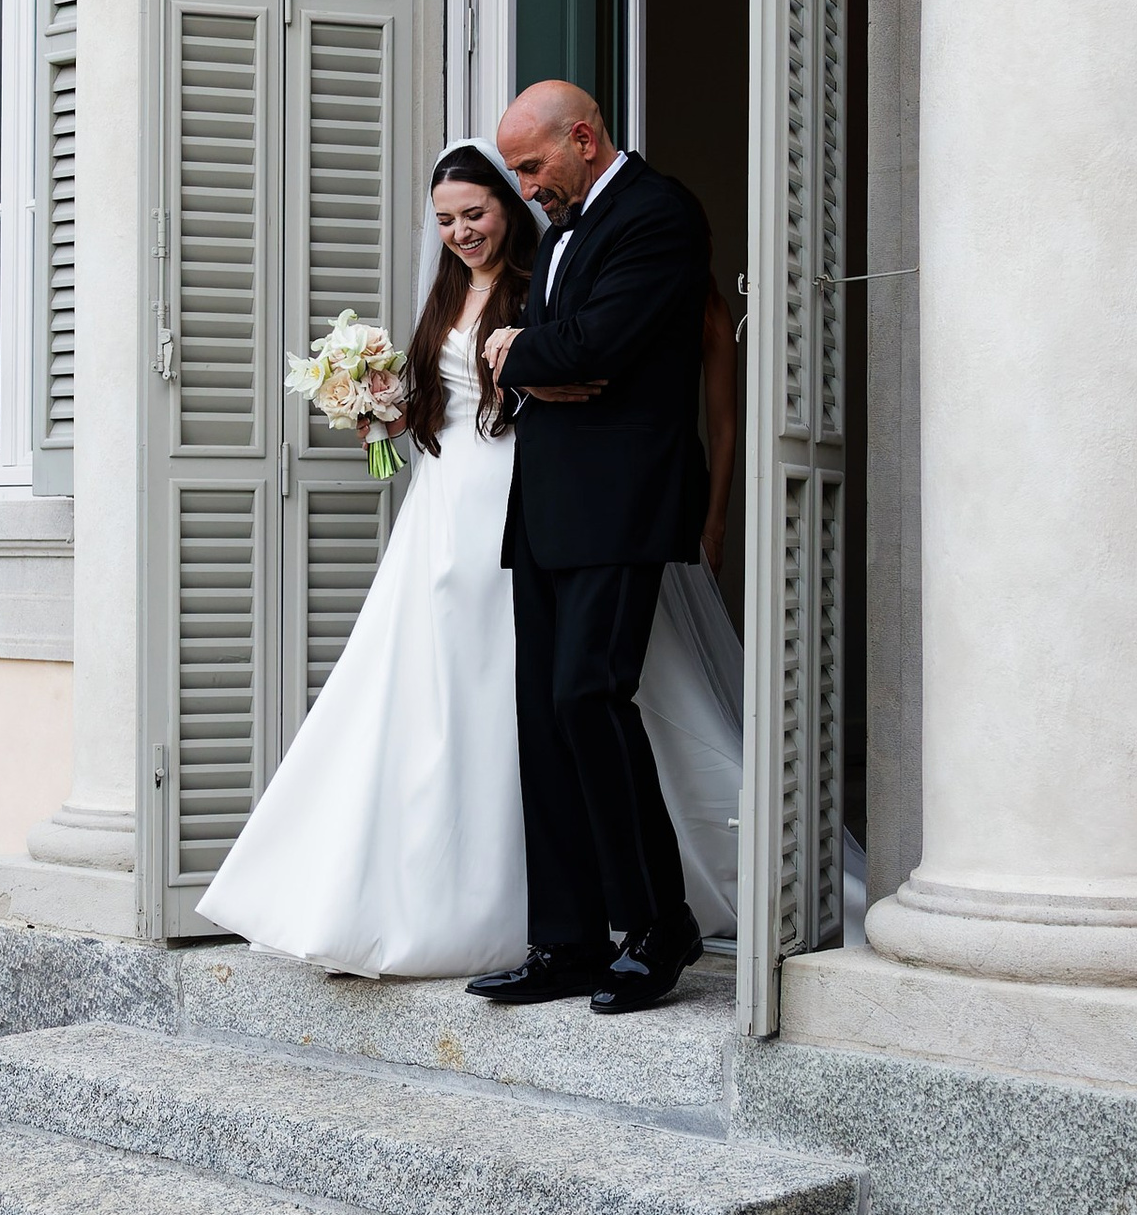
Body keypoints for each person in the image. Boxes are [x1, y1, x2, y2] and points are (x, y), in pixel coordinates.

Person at [196, 135, 748, 984]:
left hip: (525, 496)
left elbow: (577, 380)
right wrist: (379, 410)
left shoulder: (546, 276)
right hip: (444, 507)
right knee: (446, 692)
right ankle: (507, 918)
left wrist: (528, 375)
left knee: (560, 697)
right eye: (446, 220)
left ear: (510, 206)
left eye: (476, 211)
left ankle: (610, 916)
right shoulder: (449, 294)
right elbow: (440, 405)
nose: (460, 232)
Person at [474, 81, 710, 1014]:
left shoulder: (658, 213)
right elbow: (562, 350)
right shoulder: (563, 227)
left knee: (588, 696)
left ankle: (659, 924)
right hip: (547, 505)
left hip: (621, 503)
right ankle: (567, 941)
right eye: (517, 172)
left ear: (583, 136)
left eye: (533, 167)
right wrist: (537, 355)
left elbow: (595, 345)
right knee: (544, 715)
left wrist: (519, 351)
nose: (526, 188)